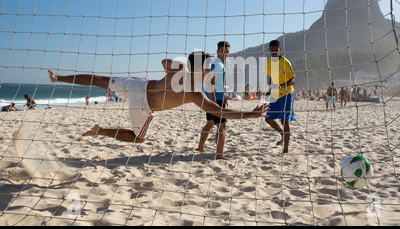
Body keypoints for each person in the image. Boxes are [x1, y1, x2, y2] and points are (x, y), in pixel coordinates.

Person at [48, 51, 268, 150]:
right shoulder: (194, 93)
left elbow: (163, 61)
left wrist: (177, 66)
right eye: (208, 69)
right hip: (142, 103)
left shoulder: (184, 77)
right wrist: (253, 114)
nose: (210, 73)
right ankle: (102, 130)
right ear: (199, 68)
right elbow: (222, 113)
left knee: (101, 81)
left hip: (139, 86)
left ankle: (59, 78)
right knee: (137, 138)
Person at [197, 41, 231, 160]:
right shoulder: (217, 64)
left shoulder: (218, 63)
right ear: (217, 51)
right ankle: (219, 154)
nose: (225, 54)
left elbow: (216, 83)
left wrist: (224, 96)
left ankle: (200, 148)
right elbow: (210, 83)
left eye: (227, 52)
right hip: (214, 98)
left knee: (210, 123)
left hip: (212, 97)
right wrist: (215, 102)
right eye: (223, 51)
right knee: (222, 126)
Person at [265, 40, 296, 154]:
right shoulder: (269, 62)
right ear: (269, 50)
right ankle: (283, 134)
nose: (273, 52)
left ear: (279, 50)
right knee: (268, 119)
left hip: (287, 93)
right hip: (275, 93)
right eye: (271, 50)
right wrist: (269, 90)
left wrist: (282, 86)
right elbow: (271, 78)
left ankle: (286, 150)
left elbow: (293, 80)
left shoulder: (285, 62)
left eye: (275, 50)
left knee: (285, 120)